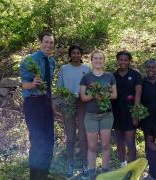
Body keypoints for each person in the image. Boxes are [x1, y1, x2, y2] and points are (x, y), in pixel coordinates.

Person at [20, 31, 55, 180]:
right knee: (37, 139)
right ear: (40, 42)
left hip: (46, 102)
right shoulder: (29, 60)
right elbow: (22, 84)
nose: (48, 45)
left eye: (51, 42)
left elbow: (49, 86)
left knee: (49, 139)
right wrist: (32, 84)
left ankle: (44, 174)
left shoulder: (52, 61)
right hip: (33, 103)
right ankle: (35, 176)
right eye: (46, 42)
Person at [80, 50, 117, 180]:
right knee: (92, 146)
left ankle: (105, 173)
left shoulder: (109, 76)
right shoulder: (86, 77)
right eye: (95, 58)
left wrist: (104, 95)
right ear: (91, 60)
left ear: (104, 60)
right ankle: (92, 173)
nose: (98, 61)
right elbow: (83, 97)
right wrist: (94, 95)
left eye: (100, 58)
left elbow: (114, 95)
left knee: (106, 145)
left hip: (106, 115)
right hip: (91, 116)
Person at [57, 45, 91, 179]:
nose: (76, 55)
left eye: (78, 53)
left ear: (81, 55)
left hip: (83, 103)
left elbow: (90, 87)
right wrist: (68, 95)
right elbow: (60, 87)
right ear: (70, 55)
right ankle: (70, 165)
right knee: (70, 136)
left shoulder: (86, 69)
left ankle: (85, 165)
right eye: (73, 53)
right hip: (68, 104)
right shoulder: (64, 68)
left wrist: (82, 94)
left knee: (83, 136)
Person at [112, 50, 142, 167]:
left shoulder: (135, 75)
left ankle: (132, 166)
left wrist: (135, 114)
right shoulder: (113, 76)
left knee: (130, 141)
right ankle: (122, 165)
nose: (123, 62)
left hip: (130, 112)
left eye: (125, 60)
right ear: (117, 61)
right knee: (119, 141)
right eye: (121, 60)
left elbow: (138, 94)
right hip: (117, 112)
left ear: (129, 61)